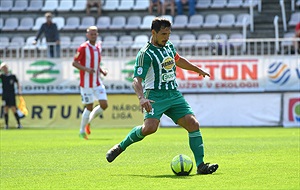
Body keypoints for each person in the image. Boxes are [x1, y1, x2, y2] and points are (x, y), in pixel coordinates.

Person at [106, 17, 218, 175]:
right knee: (149, 128)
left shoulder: (169, 46)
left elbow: (178, 60)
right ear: (154, 32)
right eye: (164, 34)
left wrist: (196, 69)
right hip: (155, 96)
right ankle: (120, 146)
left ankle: (201, 165)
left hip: (174, 94)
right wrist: (141, 98)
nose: (167, 37)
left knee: (193, 124)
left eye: (169, 34)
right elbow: (136, 81)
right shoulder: (145, 54)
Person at [72, 26, 108, 140]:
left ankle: (88, 123)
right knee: (89, 107)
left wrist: (102, 71)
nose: (93, 36)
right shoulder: (83, 47)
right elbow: (74, 63)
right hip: (86, 84)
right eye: (91, 34)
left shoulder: (98, 47)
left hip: (97, 82)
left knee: (104, 104)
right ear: (87, 35)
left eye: (95, 34)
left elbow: (96, 63)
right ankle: (82, 131)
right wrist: (87, 69)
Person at [0, 62, 23, 129]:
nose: (5, 69)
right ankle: (6, 125)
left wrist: (19, 90)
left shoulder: (12, 76)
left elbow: (18, 82)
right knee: (5, 109)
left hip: (11, 95)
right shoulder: (2, 76)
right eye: (3, 68)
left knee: (14, 109)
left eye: (5, 67)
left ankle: (19, 124)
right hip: (5, 95)